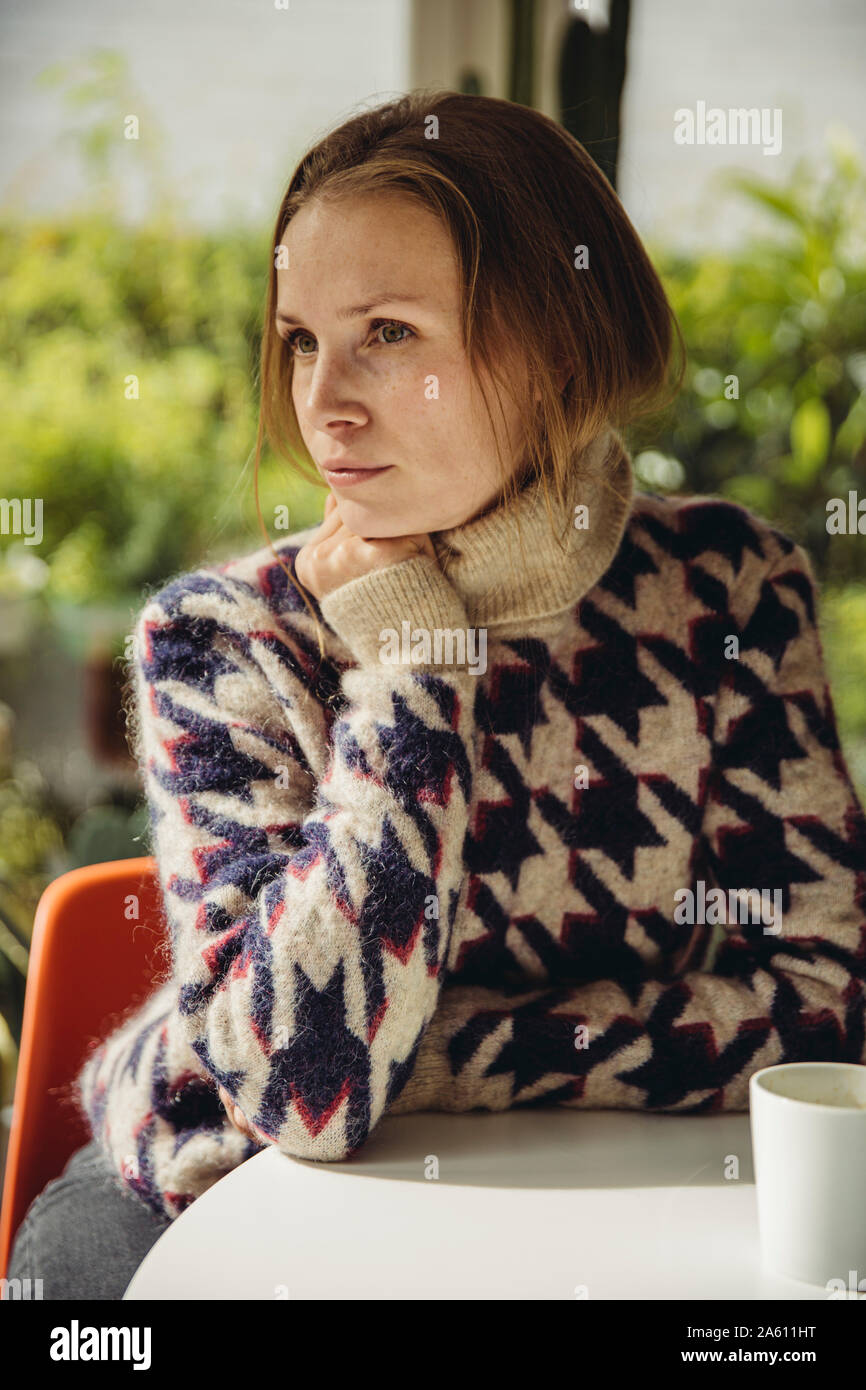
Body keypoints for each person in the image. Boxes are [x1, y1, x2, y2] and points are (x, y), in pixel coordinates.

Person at [7, 89, 865, 1301]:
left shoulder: (727, 594)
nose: (323, 400)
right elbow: (300, 1084)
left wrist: (432, 1053)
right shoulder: (221, 643)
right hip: (204, 1194)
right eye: (302, 337)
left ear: (556, 342)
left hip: (604, 1204)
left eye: (390, 333)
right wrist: (414, 670)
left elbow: (824, 1011)